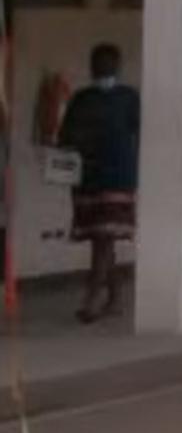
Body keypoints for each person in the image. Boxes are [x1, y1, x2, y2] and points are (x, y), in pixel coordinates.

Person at [56, 45, 141, 325]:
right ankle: (114, 298)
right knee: (101, 239)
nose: (104, 69)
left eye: (108, 64)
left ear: (116, 67)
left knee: (104, 239)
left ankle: (92, 300)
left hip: (117, 178)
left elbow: (139, 131)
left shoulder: (129, 98)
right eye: (100, 64)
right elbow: (65, 136)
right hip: (90, 180)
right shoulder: (82, 99)